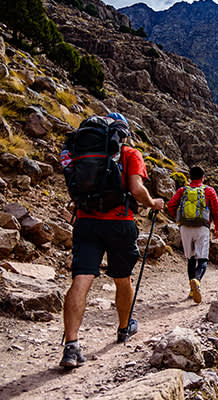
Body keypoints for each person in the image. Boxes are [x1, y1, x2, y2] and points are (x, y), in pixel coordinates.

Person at [60, 112, 165, 369]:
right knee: (122, 278)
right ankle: (123, 327)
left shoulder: (80, 151)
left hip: (86, 222)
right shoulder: (129, 154)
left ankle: (71, 346)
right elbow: (137, 189)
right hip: (119, 223)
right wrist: (153, 203)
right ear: (123, 133)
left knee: (81, 279)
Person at [166, 165, 218, 303]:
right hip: (202, 227)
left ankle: (192, 290)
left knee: (190, 258)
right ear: (203, 177)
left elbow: (170, 205)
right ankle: (196, 281)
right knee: (202, 258)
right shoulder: (209, 191)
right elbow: (216, 210)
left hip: (185, 227)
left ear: (189, 177)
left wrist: (178, 218)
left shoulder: (182, 190)